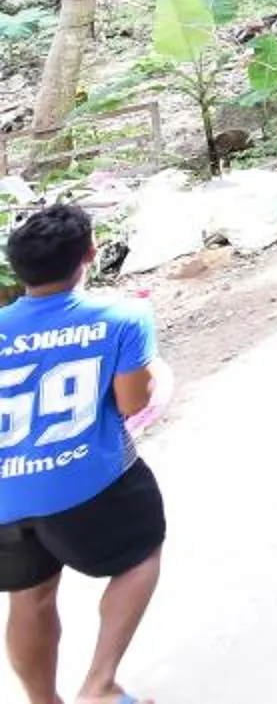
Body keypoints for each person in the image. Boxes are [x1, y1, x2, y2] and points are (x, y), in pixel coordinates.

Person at [0, 205, 159, 704]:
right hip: (86, 484)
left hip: (5, 496)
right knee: (140, 556)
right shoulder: (122, 318)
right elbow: (134, 403)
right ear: (89, 254)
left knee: (29, 594)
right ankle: (100, 683)